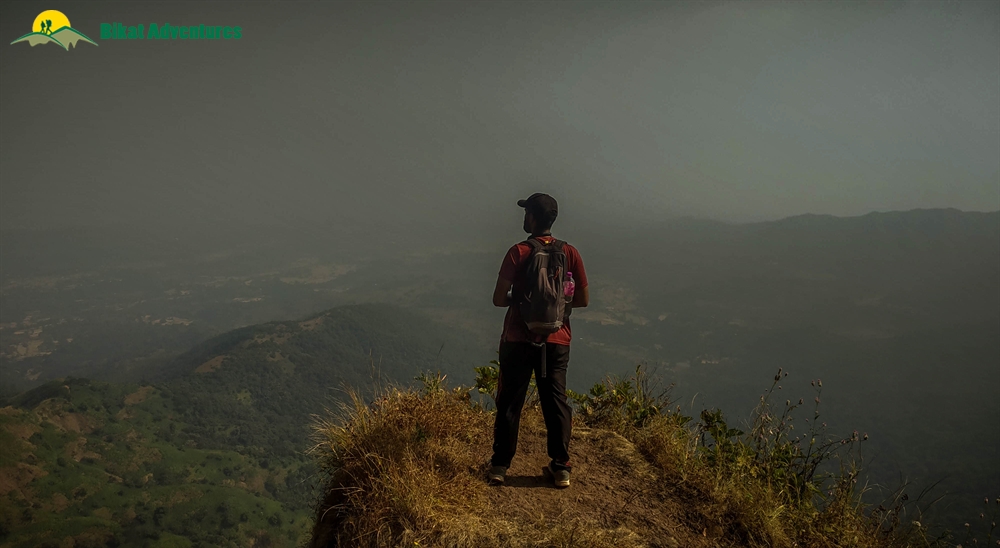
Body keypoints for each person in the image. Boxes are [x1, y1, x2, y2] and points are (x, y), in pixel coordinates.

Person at [487, 193, 589, 488]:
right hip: (557, 338)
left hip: (518, 339)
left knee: (510, 402)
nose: (524, 217)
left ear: (532, 217)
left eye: (526, 212)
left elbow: (497, 299)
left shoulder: (518, 252)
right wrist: (556, 306)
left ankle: (499, 466)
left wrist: (520, 300)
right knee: (555, 402)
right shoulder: (570, 253)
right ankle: (561, 468)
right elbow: (582, 299)